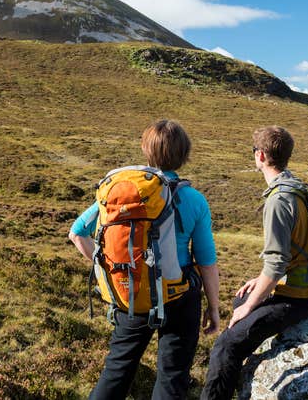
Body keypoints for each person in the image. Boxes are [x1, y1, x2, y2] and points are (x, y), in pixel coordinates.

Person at [68, 119, 221, 399]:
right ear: (185, 154)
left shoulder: (122, 193)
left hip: (133, 290)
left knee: (117, 370)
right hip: (179, 296)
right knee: (172, 377)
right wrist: (213, 307)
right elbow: (206, 261)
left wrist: (106, 269)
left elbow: (77, 233)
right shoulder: (194, 199)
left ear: (144, 149)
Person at [201, 126, 308, 400]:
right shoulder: (293, 185)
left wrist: (250, 306)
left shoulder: (279, 201)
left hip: (298, 297)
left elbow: (277, 264)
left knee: (226, 344)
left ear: (260, 156)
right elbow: (296, 250)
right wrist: (258, 286)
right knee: (241, 300)